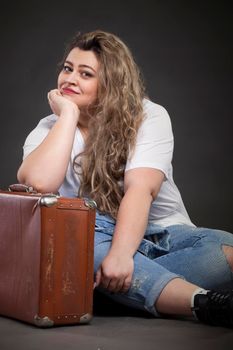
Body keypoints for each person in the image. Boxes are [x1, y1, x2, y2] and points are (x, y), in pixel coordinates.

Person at [17, 30, 233, 327]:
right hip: (92, 237)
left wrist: (121, 256)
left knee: (220, 250)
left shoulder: (148, 116)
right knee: (78, 234)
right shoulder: (48, 130)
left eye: (85, 73)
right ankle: (203, 302)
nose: (69, 79)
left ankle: (104, 289)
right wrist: (67, 116)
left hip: (160, 233)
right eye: (67, 68)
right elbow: (40, 184)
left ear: (110, 83)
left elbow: (141, 189)